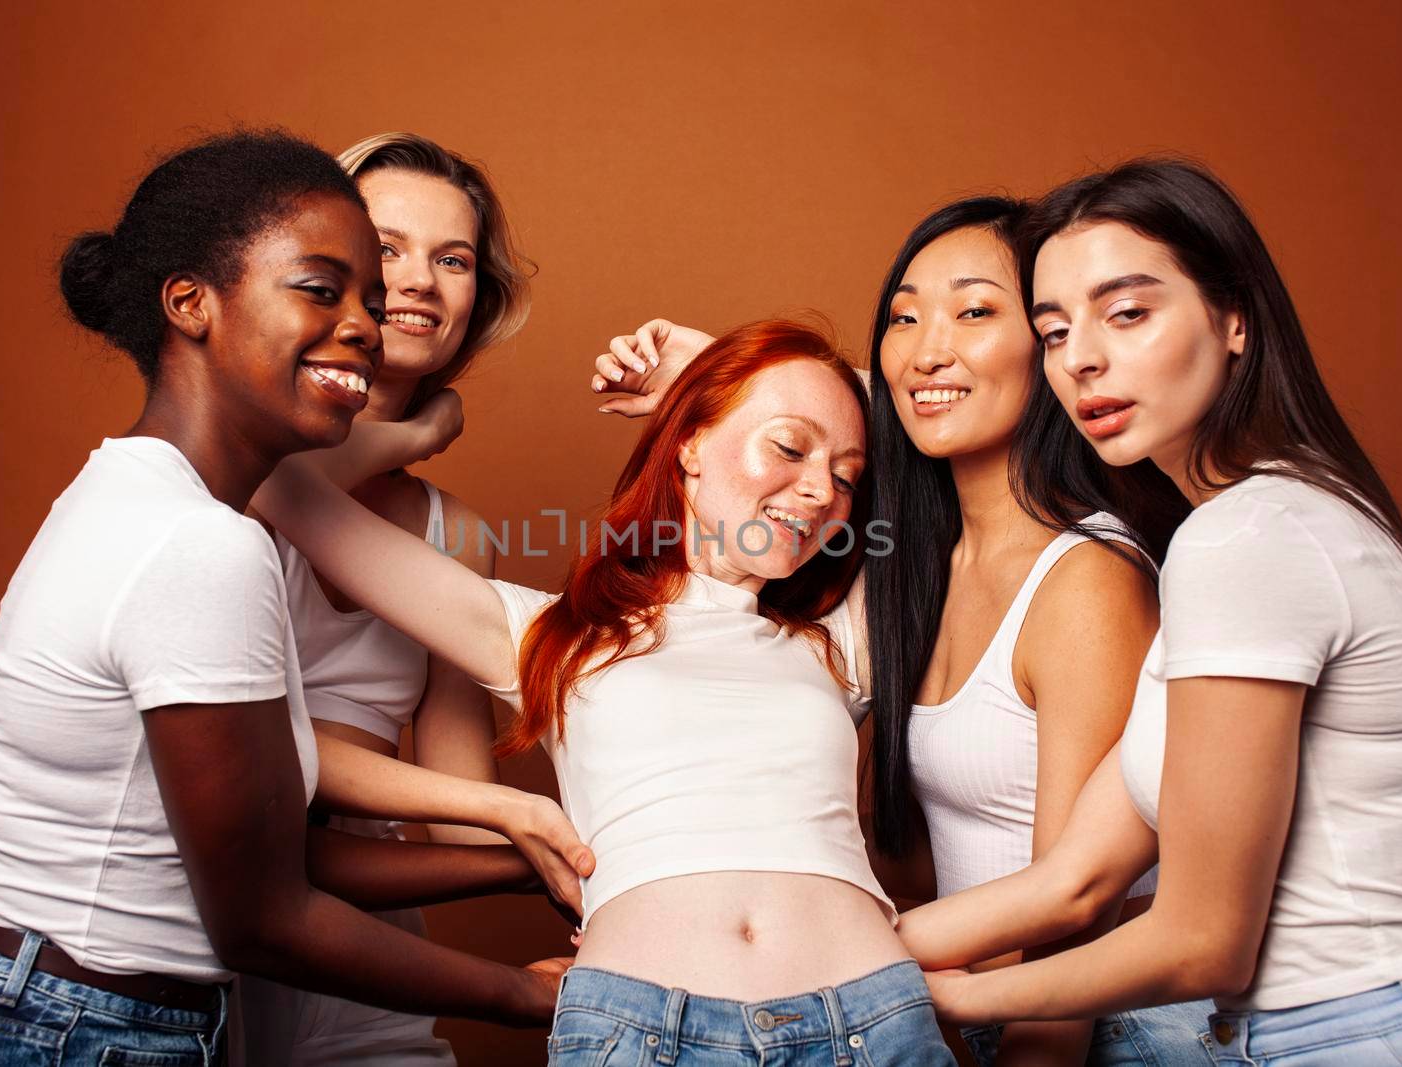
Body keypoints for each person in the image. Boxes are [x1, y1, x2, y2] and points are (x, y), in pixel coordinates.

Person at [0, 130, 585, 1067]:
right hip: (47, 1020)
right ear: (191, 302)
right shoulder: (206, 541)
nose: (371, 318)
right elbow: (264, 916)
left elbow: (279, 852)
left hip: (37, 998)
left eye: (389, 288)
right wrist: (522, 992)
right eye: (325, 289)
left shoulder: (138, 492)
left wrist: (551, 857)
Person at [589, 198, 1208, 1067]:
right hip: (964, 1012)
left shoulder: (1087, 579)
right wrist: (721, 375)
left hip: (1095, 1028)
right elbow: (860, 411)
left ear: (1054, 341)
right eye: (905, 316)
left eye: (975, 310)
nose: (927, 346)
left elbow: (1080, 909)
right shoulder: (918, 570)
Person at [255, 320, 957, 1065]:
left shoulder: (839, 647)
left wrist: (709, 365)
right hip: (640, 1030)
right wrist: (424, 430)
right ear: (687, 444)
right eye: (788, 446)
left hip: (868, 1026)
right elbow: (278, 481)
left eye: (848, 475)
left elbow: (944, 436)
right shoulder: (551, 638)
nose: (822, 490)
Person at [907, 159, 1402, 1067]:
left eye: (1127, 313)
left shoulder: (1249, 537)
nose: (1081, 357)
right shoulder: (1260, 521)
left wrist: (960, 998)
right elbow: (1076, 881)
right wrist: (842, 962)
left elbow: (1205, 939)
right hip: (1344, 1023)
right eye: (1053, 331)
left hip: (1370, 1027)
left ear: (1233, 317)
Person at [238, 131, 533, 1067]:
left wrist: (609, 856)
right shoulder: (225, 465)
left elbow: (458, 808)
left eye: (452, 260)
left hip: (359, 944)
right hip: (185, 931)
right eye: (387, 244)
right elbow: (249, 744)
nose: (417, 281)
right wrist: (419, 430)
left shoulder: (459, 534)